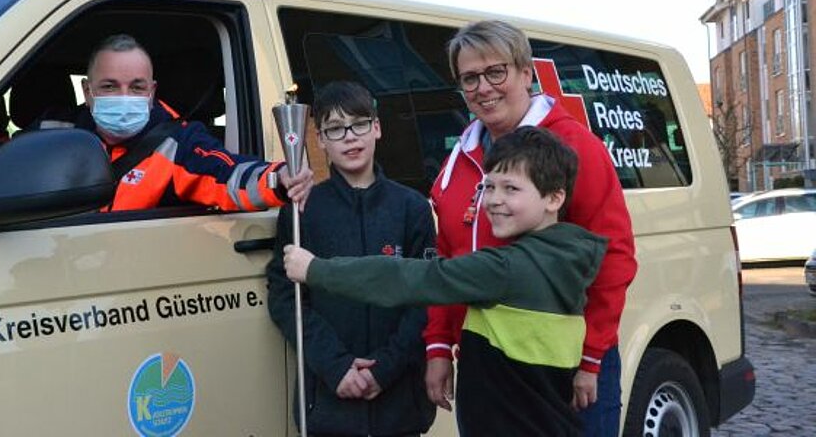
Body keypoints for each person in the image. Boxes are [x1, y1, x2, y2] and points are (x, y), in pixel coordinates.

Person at [284, 126, 608, 436]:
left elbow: (411, 278)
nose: (493, 200)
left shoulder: (507, 269)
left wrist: (316, 270)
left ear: (554, 199)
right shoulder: (567, 257)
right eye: (488, 186)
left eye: (511, 188)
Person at [424, 20, 637, 435]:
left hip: (562, 365)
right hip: (487, 366)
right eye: (469, 78)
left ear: (526, 72)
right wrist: (438, 345)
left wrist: (591, 358)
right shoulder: (457, 160)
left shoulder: (574, 147)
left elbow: (613, 256)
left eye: (496, 72)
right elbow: (449, 262)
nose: (483, 88)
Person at [266, 81, 437, 437]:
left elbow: (426, 299)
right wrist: (336, 366)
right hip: (329, 400)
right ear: (321, 141)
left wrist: (383, 369)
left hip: (399, 401)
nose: (350, 137)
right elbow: (287, 298)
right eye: (335, 129)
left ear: (377, 127)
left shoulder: (411, 208)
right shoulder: (302, 212)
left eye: (359, 123)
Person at [36, 33, 312, 211]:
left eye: (136, 87)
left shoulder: (179, 142)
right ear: (87, 91)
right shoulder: (54, 131)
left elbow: (228, 175)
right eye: (109, 86)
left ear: (152, 91)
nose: (124, 97)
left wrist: (280, 177)